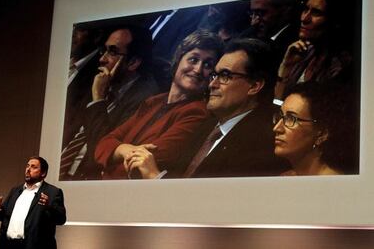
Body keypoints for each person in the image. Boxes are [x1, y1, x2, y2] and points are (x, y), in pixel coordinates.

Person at [124, 38, 290, 179]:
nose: (212, 84)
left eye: (224, 76)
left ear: (254, 85)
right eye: (214, 75)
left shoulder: (263, 142)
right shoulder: (206, 126)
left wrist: (155, 177)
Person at [94, 30, 224, 179]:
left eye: (208, 65)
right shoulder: (153, 101)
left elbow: (150, 161)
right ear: (178, 61)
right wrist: (125, 150)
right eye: (193, 60)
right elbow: (102, 144)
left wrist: (113, 156)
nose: (198, 69)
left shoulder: (199, 112)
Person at [60, 25, 161, 180]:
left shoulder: (145, 100)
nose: (102, 58)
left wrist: (98, 99)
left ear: (133, 62)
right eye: (104, 50)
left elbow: (101, 150)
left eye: (112, 52)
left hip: (86, 180)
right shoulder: (103, 80)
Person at [274, 0, 359, 100]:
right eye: (305, 9)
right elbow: (278, 102)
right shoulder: (305, 52)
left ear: (334, 21)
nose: (304, 18)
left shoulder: (341, 66)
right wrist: (285, 67)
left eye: (316, 12)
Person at [273, 82, 357, 175]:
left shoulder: (332, 184)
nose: (276, 128)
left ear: (322, 134)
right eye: (281, 116)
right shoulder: (289, 177)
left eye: (291, 119)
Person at [0, 156, 66, 249]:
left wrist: (49, 206)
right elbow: (3, 217)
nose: (28, 169)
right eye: (27, 166)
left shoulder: (53, 192)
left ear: (43, 173)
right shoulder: (15, 190)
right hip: (7, 244)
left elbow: (61, 219)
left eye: (34, 167)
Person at [239, 0, 299, 64]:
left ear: (284, 11)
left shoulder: (291, 45)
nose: (254, 22)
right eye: (252, 13)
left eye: (261, 13)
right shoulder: (252, 35)